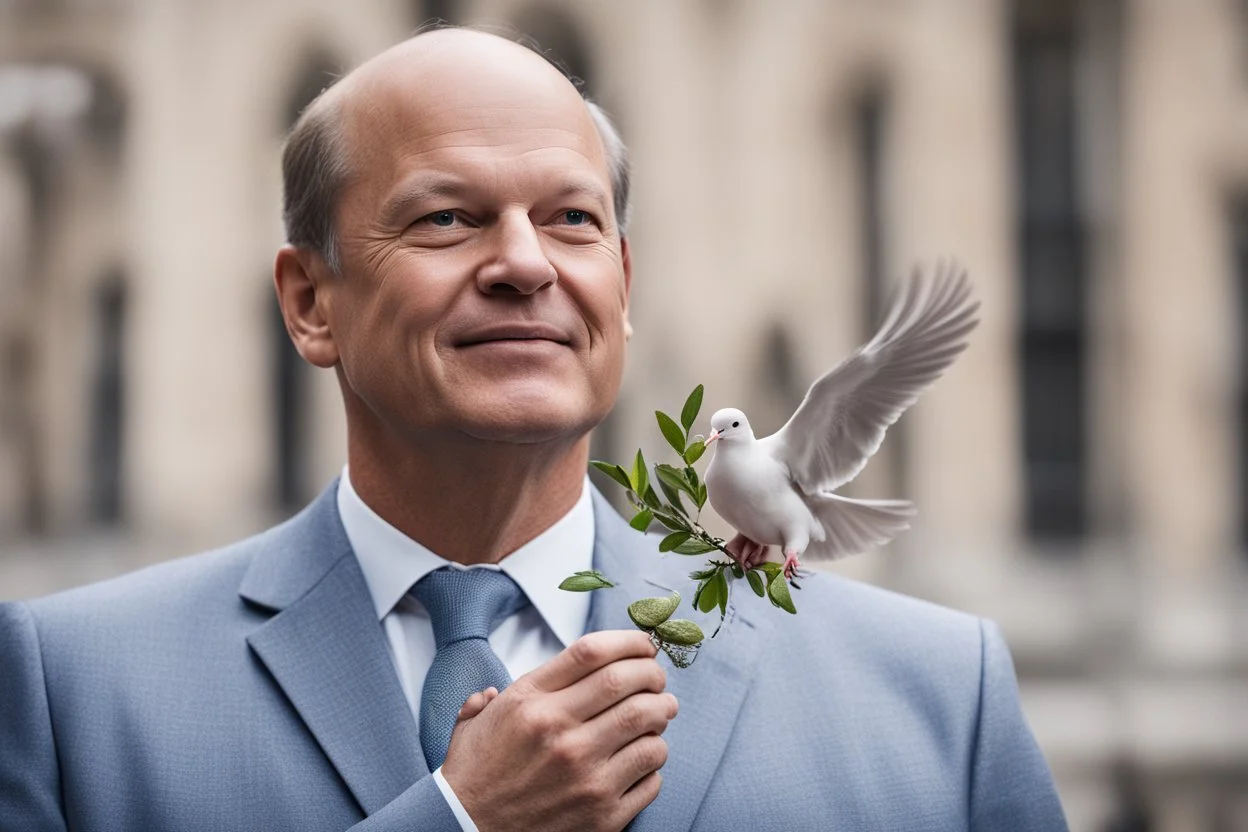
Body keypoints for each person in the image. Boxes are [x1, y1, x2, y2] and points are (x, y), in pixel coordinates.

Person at [0, 26, 1068, 832]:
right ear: (310, 301)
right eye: (448, 217)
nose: (526, 264)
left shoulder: (936, 698)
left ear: (623, 284)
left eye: (571, 219)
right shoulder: (76, 693)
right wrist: (457, 818)